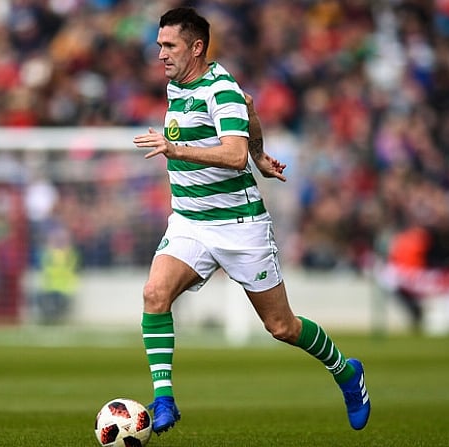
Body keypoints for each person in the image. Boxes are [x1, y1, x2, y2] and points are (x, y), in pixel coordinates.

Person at [132, 7, 371, 435]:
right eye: (159, 46)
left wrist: (181, 150)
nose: (161, 54)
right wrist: (260, 155)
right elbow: (249, 108)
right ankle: (164, 401)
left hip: (240, 226)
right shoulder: (178, 86)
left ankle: (346, 372)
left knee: (282, 326)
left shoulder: (218, 88)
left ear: (197, 47)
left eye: (169, 46)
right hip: (190, 220)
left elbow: (232, 153)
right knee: (154, 293)